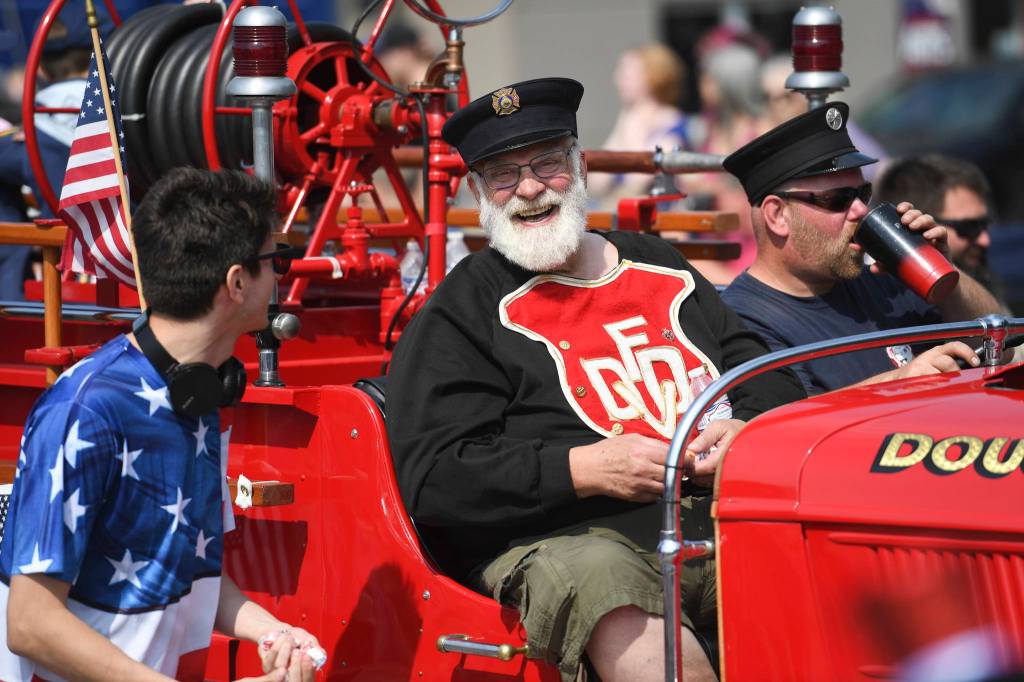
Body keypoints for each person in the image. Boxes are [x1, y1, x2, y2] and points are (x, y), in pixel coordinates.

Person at [387, 77, 805, 682]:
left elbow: (762, 371)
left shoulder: (657, 262)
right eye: (503, 175)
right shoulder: (463, 308)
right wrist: (584, 470)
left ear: (579, 165)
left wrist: (743, 426)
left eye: (548, 164)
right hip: (568, 539)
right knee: (606, 576)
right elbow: (435, 477)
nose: (529, 189)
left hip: (716, 519)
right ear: (477, 190)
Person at [0, 169, 321, 682]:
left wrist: (275, 632)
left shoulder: (203, 392)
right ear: (236, 283)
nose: (281, 276)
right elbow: (31, 624)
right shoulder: (84, 409)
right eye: (275, 261)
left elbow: (185, 570)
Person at [720, 103, 1002, 397]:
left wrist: (944, 275)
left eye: (862, 193)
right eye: (838, 199)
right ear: (777, 216)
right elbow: (784, 422)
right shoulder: (744, 318)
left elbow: (998, 347)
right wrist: (902, 380)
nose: (860, 210)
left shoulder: (885, 279)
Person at [0, 3, 102, 300]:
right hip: (140, 265)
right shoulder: (142, 114)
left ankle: (8, 293)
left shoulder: (32, 135)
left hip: (66, 277)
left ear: (40, 68)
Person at [875, 154, 1006, 306]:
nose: (985, 240)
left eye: (984, 225)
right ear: (916, 223)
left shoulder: (983, 278)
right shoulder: (885, 298)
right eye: (969, 228)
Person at [587, 43, 690, 208]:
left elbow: (636, 182)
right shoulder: (627, 118)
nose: (617, 80)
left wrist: (631, 135)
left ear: (653, 77)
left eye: (627, 74)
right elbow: (596, 184)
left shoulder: (671, 124)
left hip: (660, 222)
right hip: (625, 214)